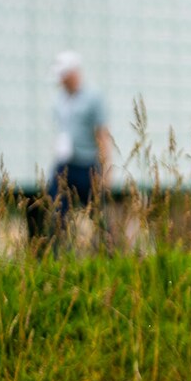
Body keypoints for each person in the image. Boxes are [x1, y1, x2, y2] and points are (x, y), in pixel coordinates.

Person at [40, 51, 111, 245]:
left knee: (97, 214)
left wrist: (105, 170)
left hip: (87, 165)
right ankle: (57, 252)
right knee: (56, 211)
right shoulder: (60, 100)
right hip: (64, 164)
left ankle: (109, 251)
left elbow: (102, 134)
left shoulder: (93, 98)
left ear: (72, 73)